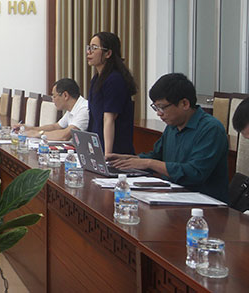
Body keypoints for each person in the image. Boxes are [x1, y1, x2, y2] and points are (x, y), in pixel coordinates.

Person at [107, 73, 228, 202]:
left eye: (162, 107)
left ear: (184, 103)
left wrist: (148, 163)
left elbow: (195, 173)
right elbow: (156, 156)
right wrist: (128, 159)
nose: (159, 113)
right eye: (156, 107)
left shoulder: (211, 129)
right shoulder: (173, 126)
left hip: (204, 203)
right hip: (172, 196)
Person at [86, 32, 137, 155]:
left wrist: (108, 154)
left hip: (115, 149)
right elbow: (93, 117)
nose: (89, 52)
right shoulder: (96, 79)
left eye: (94, 48)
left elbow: (109, 119)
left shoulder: (115, 80)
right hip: (98, 145)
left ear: (108, 53)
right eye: (89, 47)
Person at [14, 78, 89, 140]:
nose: (53, 100)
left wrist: (38, 134)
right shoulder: (73, 108)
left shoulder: (84, 109)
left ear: (65, 95)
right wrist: (30, 129)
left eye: (54, 96)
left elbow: (64, 136)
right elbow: (56, 126)